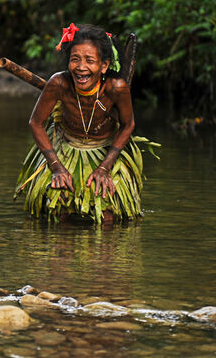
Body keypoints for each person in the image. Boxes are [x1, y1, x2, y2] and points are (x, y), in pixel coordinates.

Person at [15, 23, 159, 223]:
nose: (81, 67)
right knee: (57, 208)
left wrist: (105, 168)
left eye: (89, 61)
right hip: (65, 148)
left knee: (109, 214)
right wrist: (56, 166)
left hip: (105, 150)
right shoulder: (58, 83)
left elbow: (128, 125)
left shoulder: (116, 88)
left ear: (104, 65)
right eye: (75, 59)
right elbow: (35, 123)